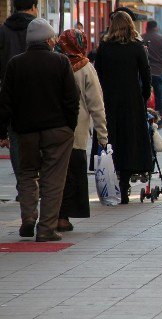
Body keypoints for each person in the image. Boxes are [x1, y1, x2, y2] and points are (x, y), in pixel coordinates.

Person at [0, 18, 79, 241]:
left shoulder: (16, 64)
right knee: (53, 179)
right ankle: (46, 229)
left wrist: (2, 131)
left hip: (25, 132)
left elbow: (5, 102)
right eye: (52, 38)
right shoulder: (61, 62)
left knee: (26, 173)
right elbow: (72, 98)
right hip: (57, 130)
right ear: (48, 39)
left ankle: (28, 218)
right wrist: (70, 126)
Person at [95, 12, 153, 204]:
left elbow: (98, 75)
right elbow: (146, 76)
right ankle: (126, 184)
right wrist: (143, 98)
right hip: (131, 102)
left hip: (109, 102)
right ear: (130, 25)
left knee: (112, 139)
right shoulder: (137, 47)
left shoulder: (104, 48)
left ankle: (114, 181)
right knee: (129, 141)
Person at [55, 29, 108, 232]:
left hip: (51, 128)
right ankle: (63, 217)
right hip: (75, 131)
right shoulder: (85, 68)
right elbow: (96, 104)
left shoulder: (54, 63)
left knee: (53, 174)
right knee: (73, 174)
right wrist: (102, 134)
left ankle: (52, 215)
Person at [0, 0, 38, 182]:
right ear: (33, 7)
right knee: (36, 137)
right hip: (36, 93)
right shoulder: (38, 29)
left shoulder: (0, 31)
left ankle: (23, 182)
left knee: (15, 138)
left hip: (9, 94)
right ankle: (34, 180)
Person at [142, 20, 162, 125]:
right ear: (156, 28)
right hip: (159, 72)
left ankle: (144, 118)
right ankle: (158, 120)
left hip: (144, 72)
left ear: (147, 28)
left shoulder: (141, 38)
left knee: (144, 96)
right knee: (159, 98)